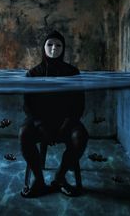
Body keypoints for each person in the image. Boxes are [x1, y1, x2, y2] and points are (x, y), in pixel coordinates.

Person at [19, 30, 89, 198]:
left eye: (58, 45)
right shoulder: (33, 73)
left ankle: (60, 177)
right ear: (43, 47)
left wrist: (67, 123)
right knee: (24, 133)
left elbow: (79, 105)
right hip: (39, 122)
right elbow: (28, 106)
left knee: (81, 136)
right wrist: (40, 124)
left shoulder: (73, 72)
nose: (53, 48)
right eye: (49, 44)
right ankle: (39, 181)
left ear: (63, 48)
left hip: (66, 121)